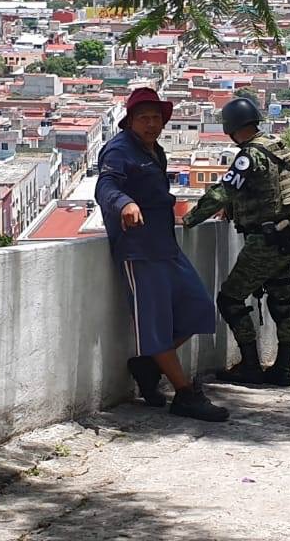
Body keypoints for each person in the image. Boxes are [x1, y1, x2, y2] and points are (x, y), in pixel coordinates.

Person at [96, 87, 230, 422]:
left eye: (156, 117)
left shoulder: (155, 150)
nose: (151, 123)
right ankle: (185, 393)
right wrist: (125, 203)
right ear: (130, 121)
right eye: (144, 118)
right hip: (139, 250)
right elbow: (105, 187)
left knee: (199, 308)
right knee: (154, 325)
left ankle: (147, 364)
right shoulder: (118, 150)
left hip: (166, 245)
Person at [183, 97, 290, 387]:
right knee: (281, 302)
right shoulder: (276, 146)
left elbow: (223, 191)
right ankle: (282, 368)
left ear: (231, 127)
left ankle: (251, 365)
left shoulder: (249, 155)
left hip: (265, 241)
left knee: (229, 299)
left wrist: (190, 219)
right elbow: (268, 191)